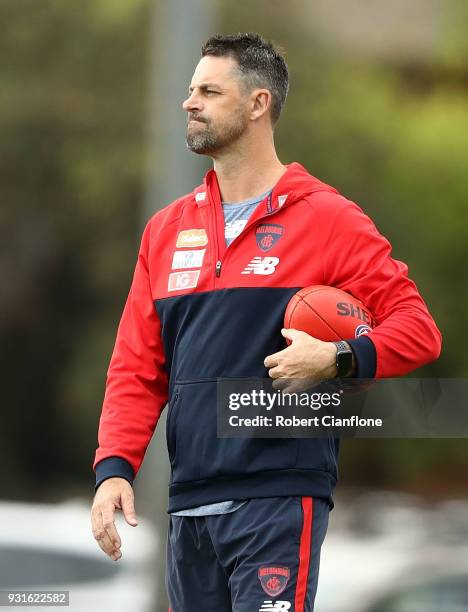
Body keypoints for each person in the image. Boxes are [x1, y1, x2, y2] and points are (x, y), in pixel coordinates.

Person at [91, 33, 441, 612]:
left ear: (257, 104)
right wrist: (113, 469)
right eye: (189, 89)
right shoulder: (166, 231)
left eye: (208, 90)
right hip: (190, 504)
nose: (190, 102)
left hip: (278, 495)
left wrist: (337, 359)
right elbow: (136, 366)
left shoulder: (329, 217)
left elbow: (418, 329)